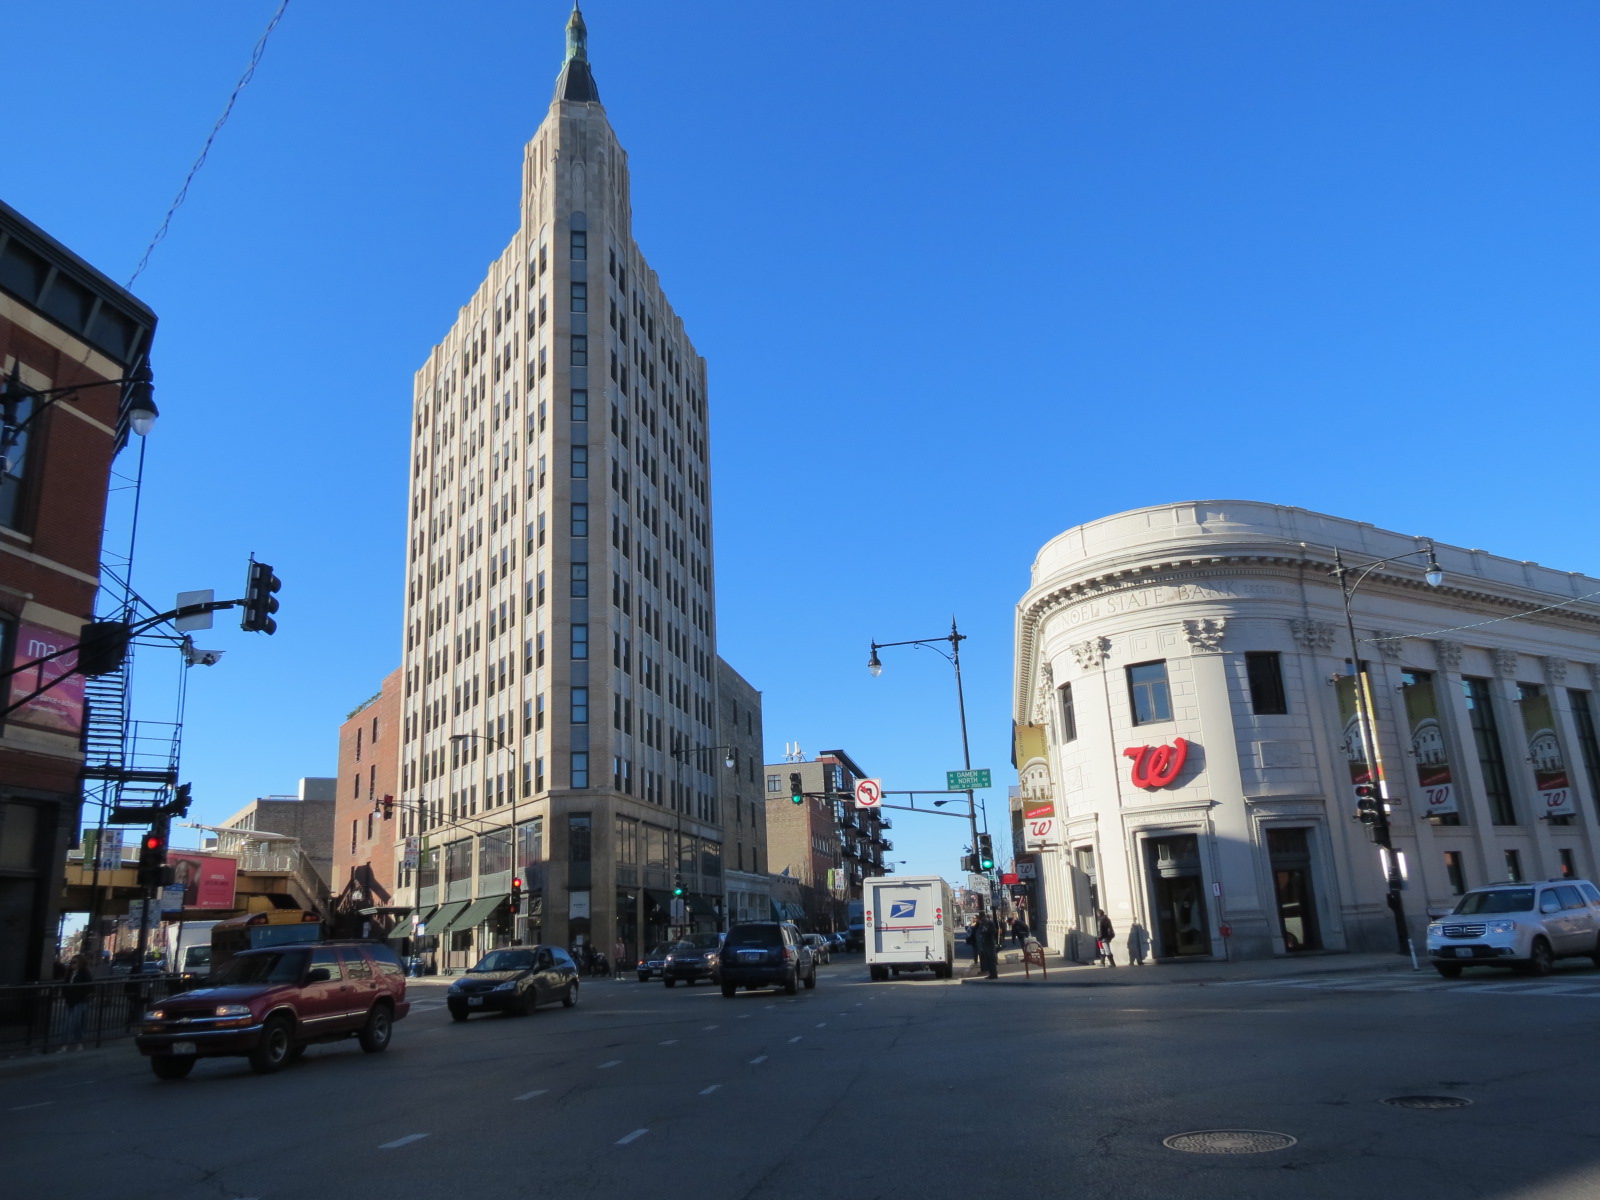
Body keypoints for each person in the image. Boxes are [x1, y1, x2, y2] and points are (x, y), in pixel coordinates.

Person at [59, 954, 92, 1051]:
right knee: (76, 1023)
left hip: (79, 1001)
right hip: (70, 1001)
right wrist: (65, 994)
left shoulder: (85, 974)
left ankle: (64, 1045)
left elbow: (89, 988)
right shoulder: (69, 973)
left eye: (74, 962)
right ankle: (79, 1042)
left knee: (69, 1023)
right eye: (71, 962)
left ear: (80, 963)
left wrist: (78, 993)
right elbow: (65, 985)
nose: (72, 964)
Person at [977, 915, 1000, 979]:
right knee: (987, 959)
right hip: (985, 943)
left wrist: (987, 930)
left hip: (990, 943)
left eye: (984, 921)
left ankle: (994, 973)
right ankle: (991, 973)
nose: (983, 922)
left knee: (991, 959)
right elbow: (980, 931)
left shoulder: (990, 924)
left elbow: (994, 931)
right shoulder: (982, 925)